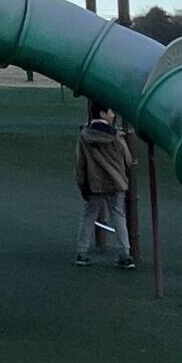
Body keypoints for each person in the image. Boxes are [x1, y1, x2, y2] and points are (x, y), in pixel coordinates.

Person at [74, 100, 136, 268]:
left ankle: (82, 252)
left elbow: (80, 163)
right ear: (102, 114)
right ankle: (125, 252)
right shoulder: (116, 136)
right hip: (116, 181)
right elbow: (128, 159)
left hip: (94, 182)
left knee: (89, 216)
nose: (113, 115)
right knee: (118, 216)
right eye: (110, 112)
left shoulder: (85, 136)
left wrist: (82, 183)